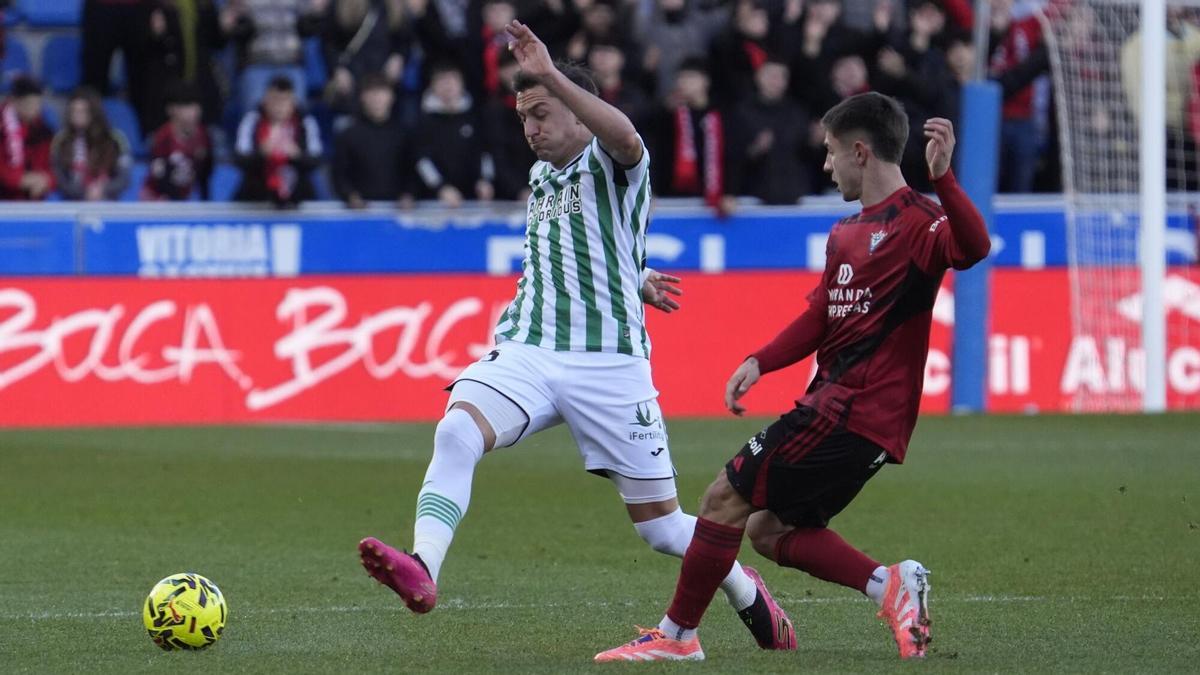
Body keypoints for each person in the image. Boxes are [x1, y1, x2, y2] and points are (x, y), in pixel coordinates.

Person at [359, 20, 796, 654]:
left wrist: (552, 75)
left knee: (662, 530)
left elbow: (626, 137)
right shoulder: (541, 179)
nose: (530, 129)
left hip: (610, 365)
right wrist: (634, 275)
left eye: (541, 114)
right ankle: (423, 566)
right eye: (523, 117)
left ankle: (743, 587)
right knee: (456, 430)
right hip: (529, 349)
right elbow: (584, 245)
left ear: (578, 112)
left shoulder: (611, 162)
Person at [594, 93, 990, 662]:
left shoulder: (918, 222)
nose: (826, 166)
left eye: (831, 152)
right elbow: (821, 315)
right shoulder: (846, 232)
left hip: (853, 409)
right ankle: (889, 585)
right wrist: (761, 361)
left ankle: (677, 636)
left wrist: (944, 179)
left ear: (860, 152)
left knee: (723, 497)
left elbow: (974, 247)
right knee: (768, 530)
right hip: (851, 416)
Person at [411, 62, 493, 207]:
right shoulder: (423, 121)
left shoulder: (474, 117)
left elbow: (485, 152)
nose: (448, 86)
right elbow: (422, 160)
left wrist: (485, 180)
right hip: (434, 202)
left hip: (474, 200)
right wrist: (440, 187)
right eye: (442, 81)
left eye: (452, 80)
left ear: (462, 84)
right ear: (433, 86)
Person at [233, 76, 323, 206]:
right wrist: (261, 153)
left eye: (284, 100)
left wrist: (297, 155)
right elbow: (239, 159)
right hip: (257, 195)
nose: (279, 106)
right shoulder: (252, 120)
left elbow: (316, 160)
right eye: (274, 100)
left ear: (293, 102)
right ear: (265, 100)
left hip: (298, 196)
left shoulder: (306, 122)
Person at [332, 72, 412, 208]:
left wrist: (409, 194)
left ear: (391, 97)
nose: (377, 98)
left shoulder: (404, 133)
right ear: (362, 97)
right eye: (371, 93)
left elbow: (413, 170)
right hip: (360, 211)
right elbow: (339, 174)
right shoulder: (348, 135)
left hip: (399, 209)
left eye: (381, 92)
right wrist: (350, 196)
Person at [51, 87, 134, 201]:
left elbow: (123, 178)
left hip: (108, 201)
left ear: (93, 112)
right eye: (73, 111)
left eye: (82, 111)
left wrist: (103, 189)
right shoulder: (61, 140)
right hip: (72, 202)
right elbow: (59, 178)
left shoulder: (115, 139)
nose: (76, 115)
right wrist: (84, 192)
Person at [142, 83, 215, 200]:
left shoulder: (204, 136)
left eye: (195, 106)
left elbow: (205, 173)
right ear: (171, 109)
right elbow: (159, 177)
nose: (193, 112)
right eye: (186, 106)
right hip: (157, 198)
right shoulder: (163, 138)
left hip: (183, 199)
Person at [0, 77, 55, 201]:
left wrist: (45, 180)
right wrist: (20, 180)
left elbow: (52, 167)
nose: (35, 109)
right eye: (29, 104)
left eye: (38, 104)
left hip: (34, 199)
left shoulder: (44, 131)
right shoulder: (2, 129)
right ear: (15, 102)